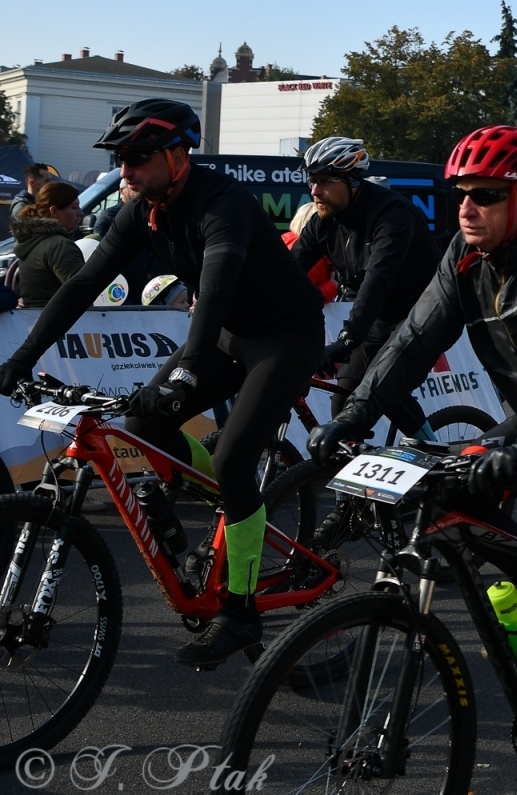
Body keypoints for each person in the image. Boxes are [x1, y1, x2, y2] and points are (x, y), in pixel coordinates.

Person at [303, 126, 517, 793]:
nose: (467, 208)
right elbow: (413, 340)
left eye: (486, 195)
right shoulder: (466, 255)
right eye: (460, 194)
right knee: (449, 497)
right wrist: (350, 416)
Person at [0, 99, 325, 667]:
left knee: (234, 460)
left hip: (285, 336)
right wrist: (21, 357)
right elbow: (82, 286)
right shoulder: (143, 209)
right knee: (144, 424)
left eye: (138, 158)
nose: (125, 170)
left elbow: (215, 292)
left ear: (178, 156)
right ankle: (227, 498)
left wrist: (187, 369)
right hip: (229, 334)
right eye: (120, 159)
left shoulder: (222, 202)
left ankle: (241, 612)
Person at [289, 136, 441, 437]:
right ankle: (351, 463)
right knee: (344, 401)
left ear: (353, 181)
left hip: (421, 312)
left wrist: (346, 340)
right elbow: (287, 272)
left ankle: (435, 451)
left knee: (383, 386)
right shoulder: (324, 221)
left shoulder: (392, 215)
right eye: (311, 180)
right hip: (380, 317)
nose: (314, 190)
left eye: (324, 181)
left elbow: (377, 280)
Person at [11, 181, 84, 305]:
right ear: (54, 211)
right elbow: (83, 293)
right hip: (62, 316)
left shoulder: (31, 240)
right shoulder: (59, 245)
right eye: (74, 207)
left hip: (34, 315)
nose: (81, 213)